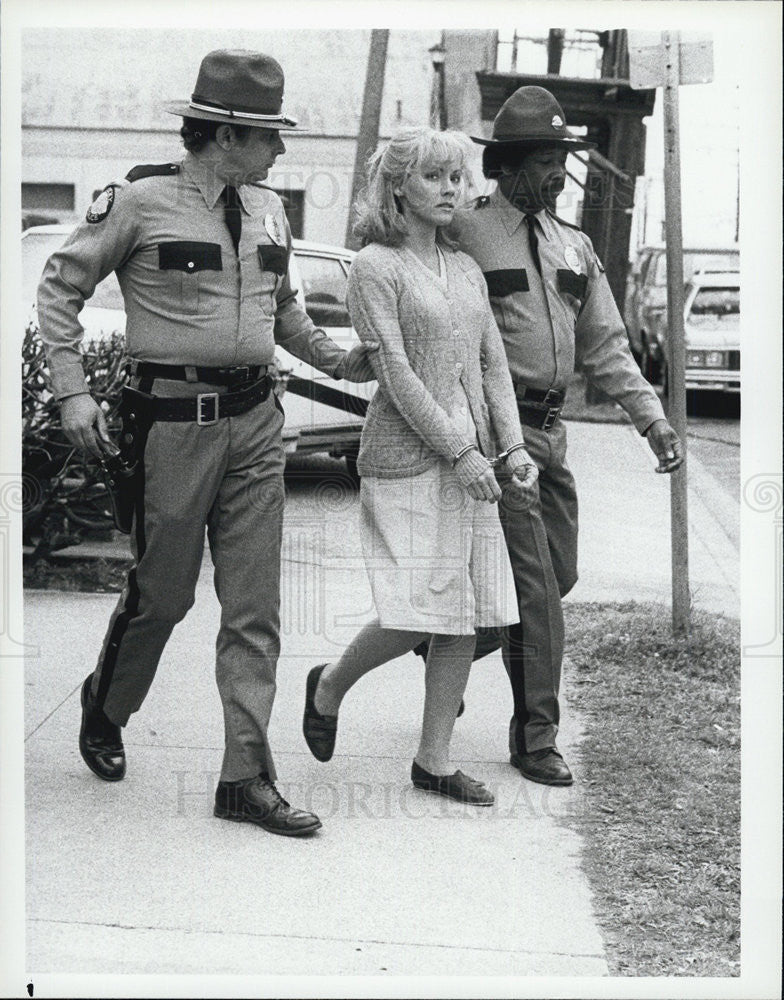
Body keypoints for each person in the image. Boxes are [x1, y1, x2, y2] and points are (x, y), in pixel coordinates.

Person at [36, 50, 377, 837]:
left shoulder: (268, 209)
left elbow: (283, 312)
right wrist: (72, 390)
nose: (279, 152)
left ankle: (245, 777)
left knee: (255, 607)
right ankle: (107, 704)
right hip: (172, 428)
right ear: (224, 134)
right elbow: (60, 287)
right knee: (165, 595)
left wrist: (343, 360)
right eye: (268, 137)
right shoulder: (138, 200)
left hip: (258, 426)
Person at [415, 85, 682, 788]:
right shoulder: (464, 232)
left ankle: (432, 646)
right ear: (507, 165)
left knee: (555, 578)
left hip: (552, 434)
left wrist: (651, 419)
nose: (558, 174)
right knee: (535, 592)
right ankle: (536, 737)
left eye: (562, 159)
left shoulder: (575, 247)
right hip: (500, 435)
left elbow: (608, 347)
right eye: (544, 160)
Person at [302, 128, 539, 804]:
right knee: (417, 609)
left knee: (464, 611)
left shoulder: (464, 267)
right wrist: (461, 451)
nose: (451, 190)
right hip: (406, 460)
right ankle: (329, 686)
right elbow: (397, 374)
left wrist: (512, 446)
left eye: (457, 179)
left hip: (473, 462)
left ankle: (433, 760)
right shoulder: (375, 266)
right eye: (435, 178)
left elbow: (493, 364)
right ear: (399, 186)